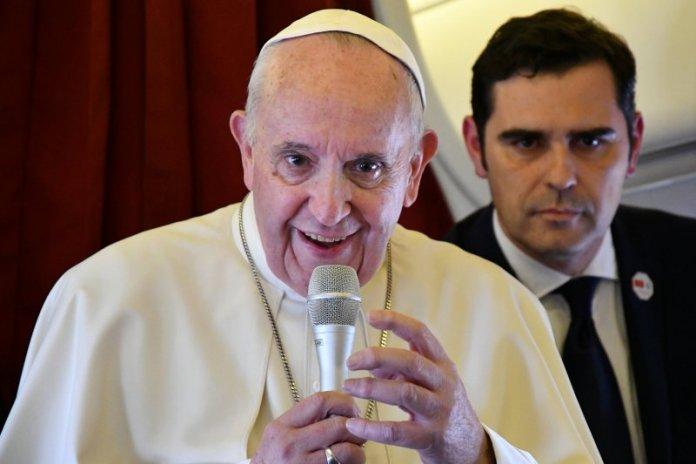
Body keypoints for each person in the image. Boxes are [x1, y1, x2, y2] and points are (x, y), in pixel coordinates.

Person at [0, 9, 600, 463]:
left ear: (415, 171)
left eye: (367, 167)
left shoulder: (496, 305)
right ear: (247, 150)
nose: (329, 209)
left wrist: (479, 452)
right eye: (296, 161)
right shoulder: (106, 302)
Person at [445, 8, 696, 464]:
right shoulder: (432, 301)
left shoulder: (686, 259)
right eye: (527, 143)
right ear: (476, 148)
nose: (561, 176)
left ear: (634, 142)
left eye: (591, 142)